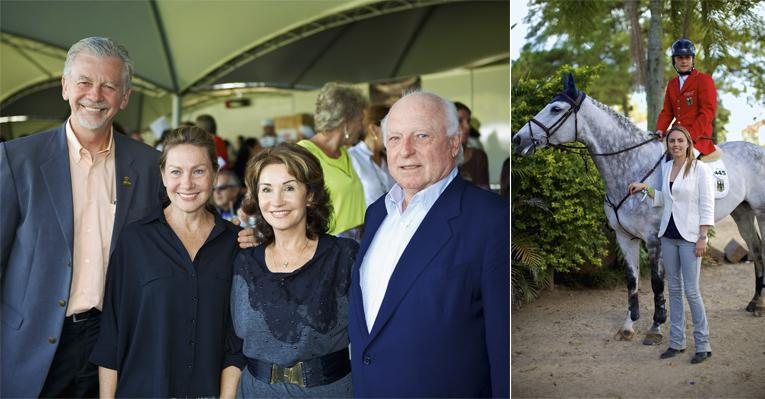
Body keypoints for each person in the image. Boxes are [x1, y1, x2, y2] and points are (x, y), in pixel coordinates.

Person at [0, 37, 165, 397]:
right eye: (84, 82)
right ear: (65, 87)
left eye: (109, 86)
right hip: (31, 344)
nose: (95, 95)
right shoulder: (16, 161)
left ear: (124, 98)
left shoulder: (151, 166)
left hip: (114, 342)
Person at [349, 91, 509, 397]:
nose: (405, 150)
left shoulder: (491, 219)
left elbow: (503, 349)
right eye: (394, 139)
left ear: (453, 142)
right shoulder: (376, 214)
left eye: (421, 136)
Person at [90, 126, 241, 396]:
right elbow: (112, 335)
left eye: (199, 171)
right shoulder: (135, 241)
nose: (187, 183)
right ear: (162, 175)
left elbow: (236, 340)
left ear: (215, 174)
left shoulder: (236, 244)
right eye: (176, 172)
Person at [221, 143, 358, 397]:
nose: (277, 201)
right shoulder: (244, 262)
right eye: (266, 189)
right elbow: (234, 348)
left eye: (289, 187)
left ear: (310, 195)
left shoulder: (345, 257)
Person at [628, 125, 714, 364]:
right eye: (671, 141)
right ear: (667, 145)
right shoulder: (666, 168)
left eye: (679, 140)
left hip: (690, 238)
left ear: (688, 143)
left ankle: (703, 344)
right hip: (668, 235)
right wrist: (645, 188)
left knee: (692, 292)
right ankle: (677, 342)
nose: (675, 144)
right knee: (674, 291)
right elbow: (667, 199)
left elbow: (707, 204)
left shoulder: (700, 169)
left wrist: (703, 237)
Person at [297, 82, 367, 239]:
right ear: (346, 123)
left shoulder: (343, 153)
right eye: (360, 120)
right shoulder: (303, 154)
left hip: (357, 243)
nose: (362, 127)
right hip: (329, 248)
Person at [656, 38, 718, 157]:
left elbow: (707, 112)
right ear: (674, 60)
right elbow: (667, 112)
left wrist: (689, 136)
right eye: (680, 58)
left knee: (681, 162)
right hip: (676, 136)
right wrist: (660, 129)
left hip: (698, 138)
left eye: (687, 58)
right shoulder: (672, 84)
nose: (684, 61)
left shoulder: (704, 80)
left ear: (692, 59)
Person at [348, 104, 394, 207]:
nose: (394, 133)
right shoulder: (352, 157)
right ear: (374, 129)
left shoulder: (389, 158)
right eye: (390, 128)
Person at [455, 101, 490, 189]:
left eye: (468, 121)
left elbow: (483, 194)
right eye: (460, 121)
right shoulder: (437, 158)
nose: (467, 126)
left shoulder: (478, 156)